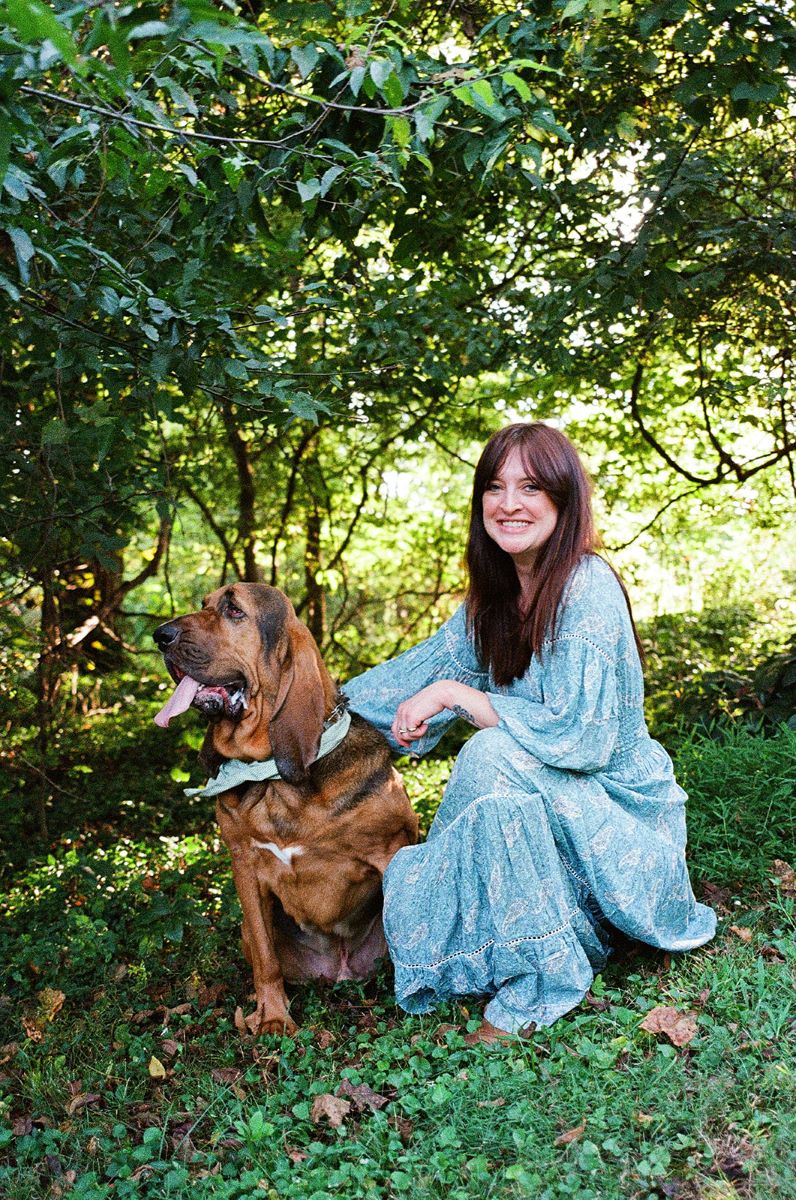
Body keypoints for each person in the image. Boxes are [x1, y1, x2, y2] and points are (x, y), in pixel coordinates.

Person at [343, 422, 716, 1042]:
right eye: (495, 487)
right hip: (548, 829)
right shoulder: (489, 606)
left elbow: (582, 739)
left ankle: (545, 977)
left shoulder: (587, 587)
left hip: (620, 832)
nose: (509, 503)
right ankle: (532, 943)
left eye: (531, 487)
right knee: (491, 780)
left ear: (564, 502)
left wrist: (457, 697)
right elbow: (396, 687)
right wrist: (292, 712)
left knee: (492, 755)